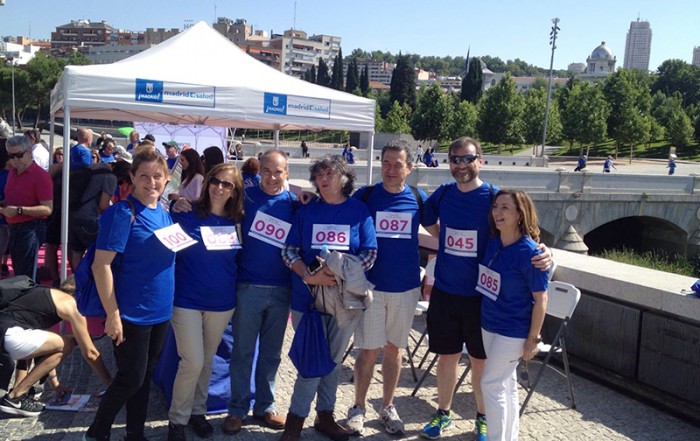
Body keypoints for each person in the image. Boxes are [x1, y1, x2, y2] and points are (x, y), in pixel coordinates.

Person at [420, 137, 551, 441]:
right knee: (447, 357)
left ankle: (483, 417)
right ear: (449, 163)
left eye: (467, 159)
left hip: (481, 298)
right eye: (455, 159)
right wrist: (443, 240)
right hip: (446, 291)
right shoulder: (443, 193)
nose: (461, 165)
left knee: (481, 362)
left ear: (480, 160)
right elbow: (427, 218)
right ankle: (443, 413)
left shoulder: (493, 197)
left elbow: (524, 230)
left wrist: (544, 251)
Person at [279, 155, 377, 441]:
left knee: (333, 361)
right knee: (312, 360)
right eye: (318, 175)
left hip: (344, 299)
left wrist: (341, 272)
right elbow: (289, 251)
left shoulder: (359, 211)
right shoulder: (306, 211)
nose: (322, 180)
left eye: (329, 174)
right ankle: (294, 423)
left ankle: (325, 416)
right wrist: (309, 276)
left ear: (344, 179)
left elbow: (369, 253)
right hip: (307, 299)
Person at [84, 149, 176, 441]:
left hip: (161, 311)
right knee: (129, 379)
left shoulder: (164, 212)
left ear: (167, 179)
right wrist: (113, 315)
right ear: (133, 178)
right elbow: (102, 266)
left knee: (144, 378)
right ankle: (97, 432)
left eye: (157, 176)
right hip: (131, 313)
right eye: (144, 176)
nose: (151, 182)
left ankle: (135, 433)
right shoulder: (123, 213)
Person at [346, 140, 428, 435]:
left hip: (405, 288)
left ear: (410, 168)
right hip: (371, 286)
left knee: (395, 350)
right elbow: (338, 212)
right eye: (386, 163)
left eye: (398, 164)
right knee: (368, 351)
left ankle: (387, 406)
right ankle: (357, 407)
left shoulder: (418, 198)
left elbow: (442, 233)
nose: (391, 170)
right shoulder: (366, 195)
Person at [167, 163, 244, 441]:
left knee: (207, 361)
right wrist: (174, 205)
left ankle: (197, 412)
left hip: (222, 303)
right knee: (193, 361)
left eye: (228, 184)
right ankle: (177, 420)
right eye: (216, 181)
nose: (220, 188)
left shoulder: (238, 221)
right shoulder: (186, 214)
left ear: (235, 192)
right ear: (208, 182)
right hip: (186, 299)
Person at [223, 150, 296, 435]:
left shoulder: (294, 204)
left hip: (281, 290)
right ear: (258, 172)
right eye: (266, 170)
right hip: (248, 287)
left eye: (278, 171)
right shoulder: (246, 198)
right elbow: (212, 203)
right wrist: (180, 202)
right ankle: (237, 408)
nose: (272, 176)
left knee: (271, 353)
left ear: (286, 174)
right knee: (241, 351)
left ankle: (265, 406)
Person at [479, 189, 549, 441]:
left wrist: (533, 338)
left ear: (520, 214)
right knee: (505, 383)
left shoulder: (532, 254)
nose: (497, 212)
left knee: (490, 384)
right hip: (489, 324)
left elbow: (541, 299)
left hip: (513, 331)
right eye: (496, 206)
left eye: (505, 208)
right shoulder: (494, 242)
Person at [0, 279, 111, 417]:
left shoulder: (46, 296)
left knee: (55, 341)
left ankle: (18, 394)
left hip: (6, 333)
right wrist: (110, 382)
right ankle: (16, 397)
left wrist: (55, 384)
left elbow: (38, 351)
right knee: (66, 344)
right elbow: (90, 353)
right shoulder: (70, 305)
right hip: (10, 336)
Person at [0, 136, 53, 280]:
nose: (15, 159)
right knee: (21, 273)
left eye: (19, 155)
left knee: (25, 275)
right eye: (11, 156)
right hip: (15, 227)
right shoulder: (12, 172)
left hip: (31, 228)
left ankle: (28, 301)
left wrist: (17, 210)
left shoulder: (40, 176)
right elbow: (13, 199)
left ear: (29, 152)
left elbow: (47, 209)